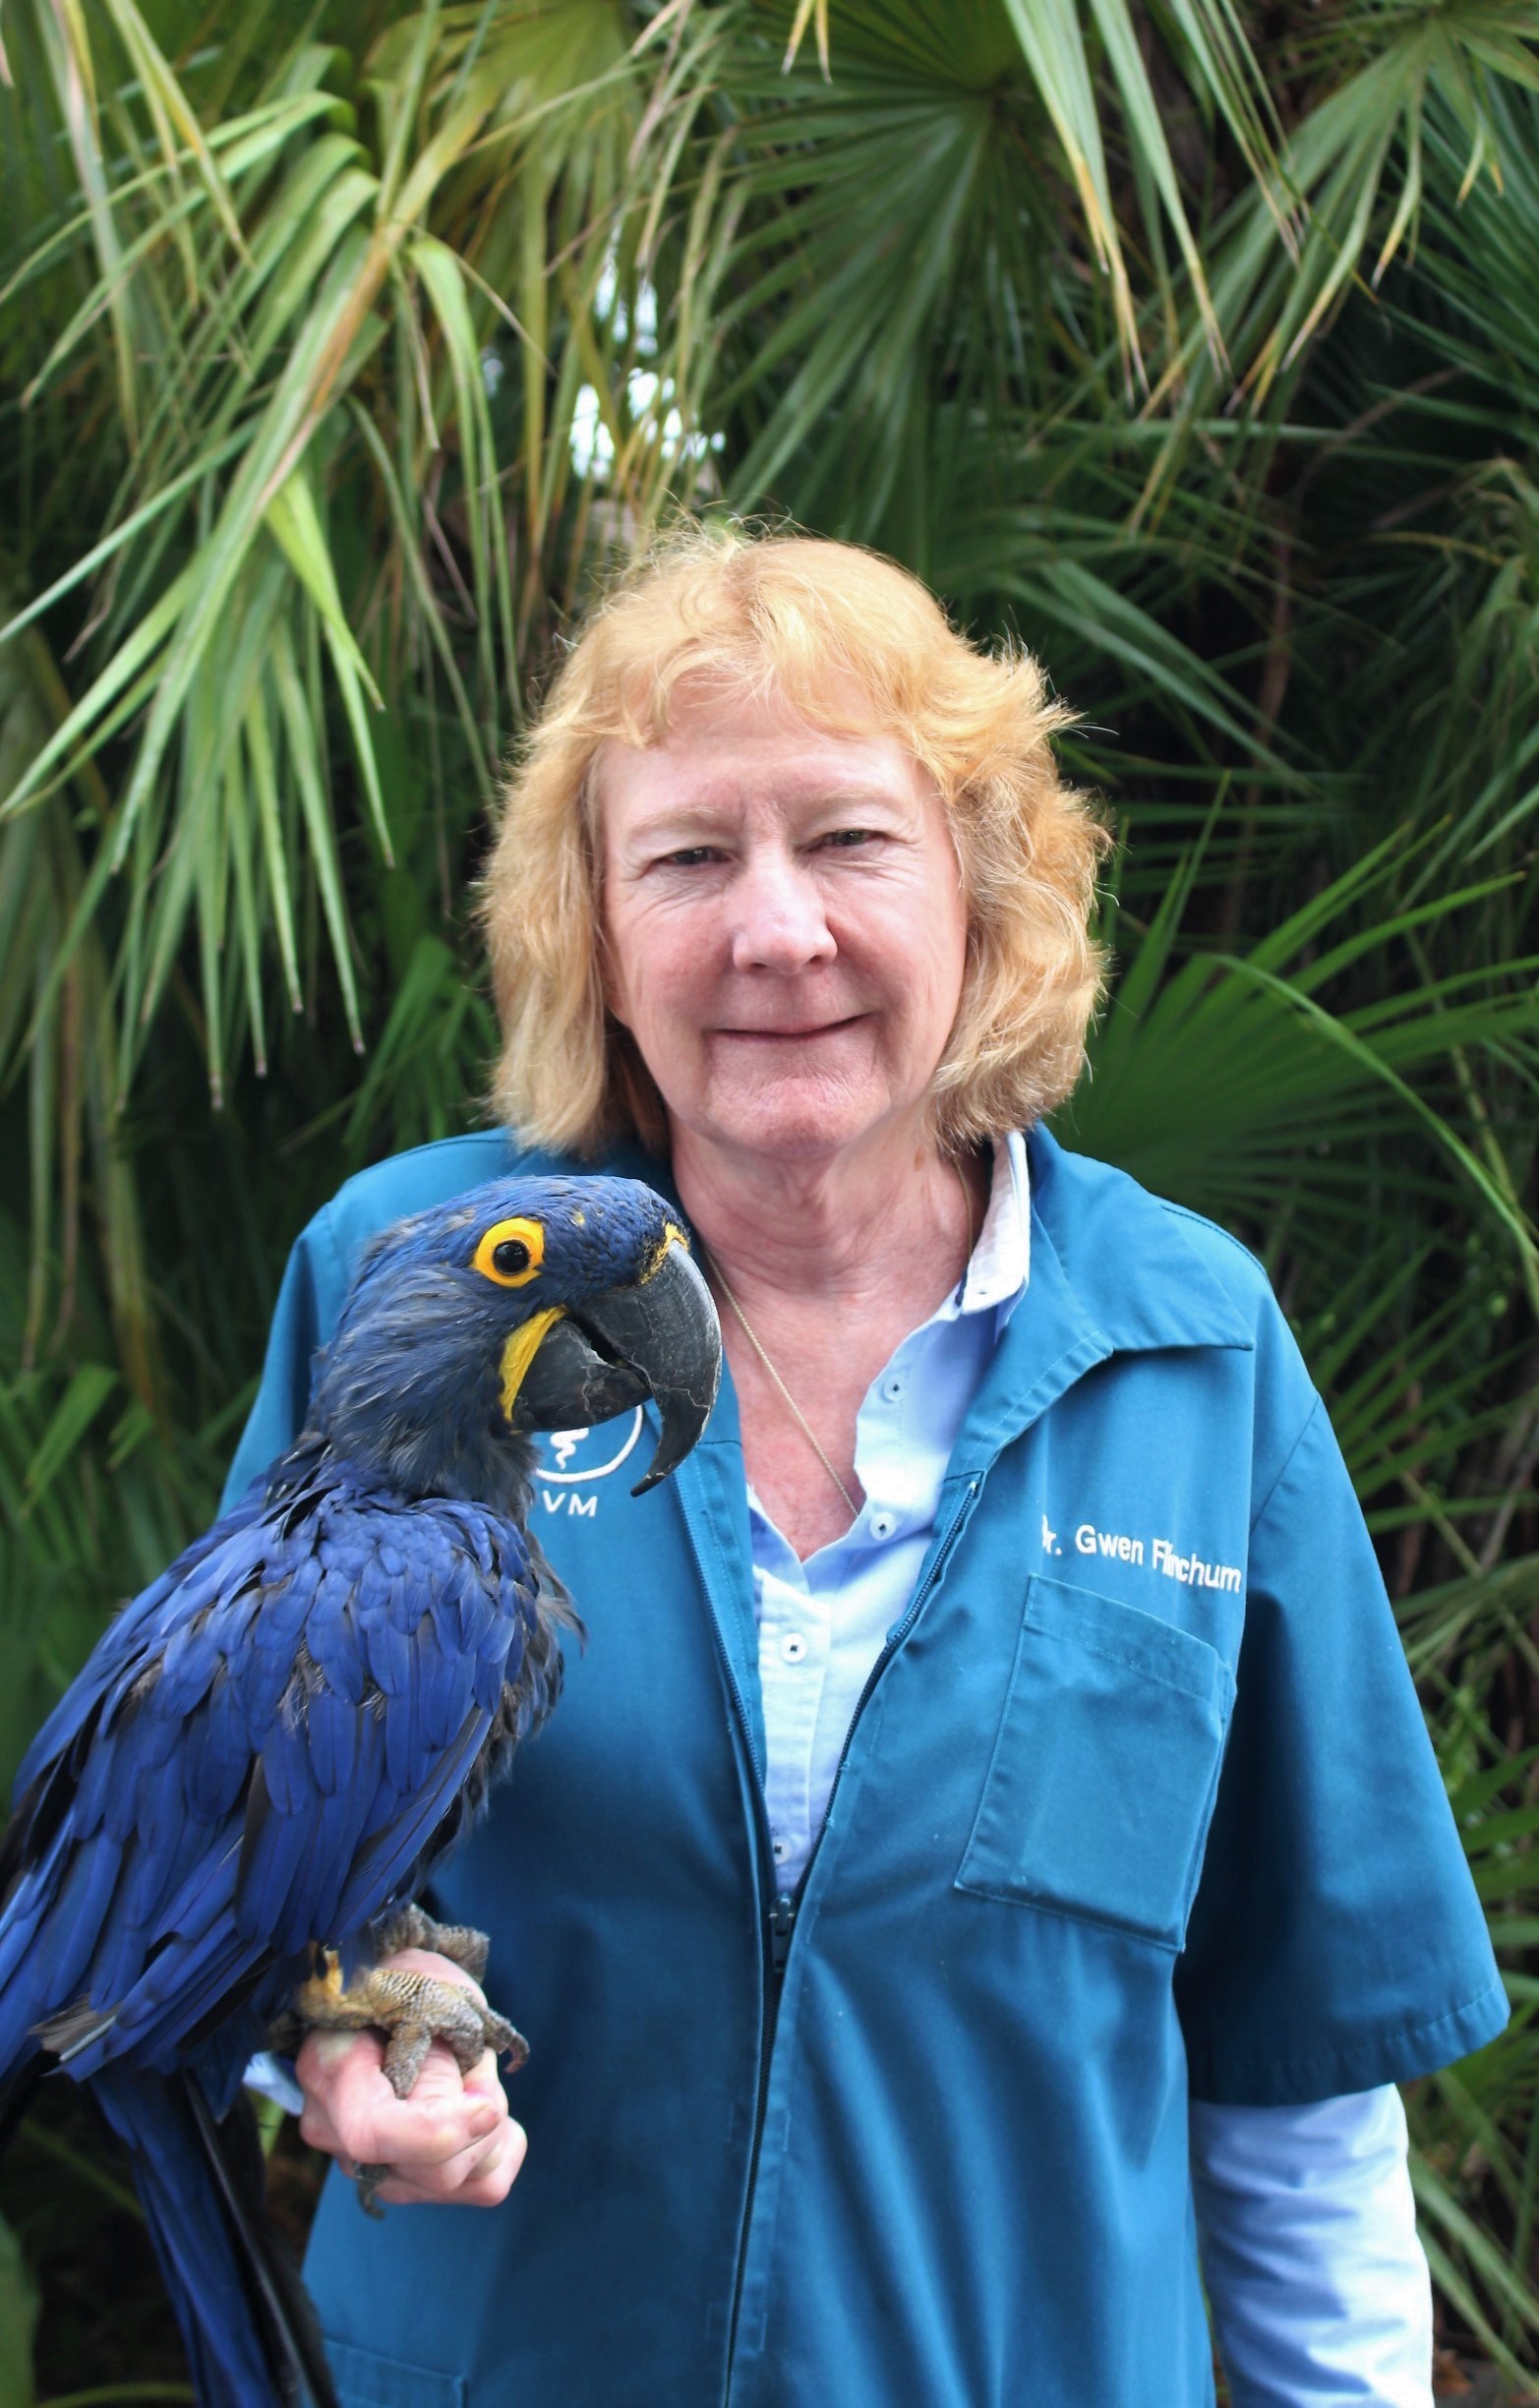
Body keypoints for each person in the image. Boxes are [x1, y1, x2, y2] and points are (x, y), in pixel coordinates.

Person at [231, 531, 1506, 2408]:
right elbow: (226, 1848)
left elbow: (1296, 2083)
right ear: (594, 924)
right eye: (685, 856)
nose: (773, 931)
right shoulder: (405, 1281)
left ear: (980, 897)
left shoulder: (1190, 1350)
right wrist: (323, 2042)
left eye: (846, 841)